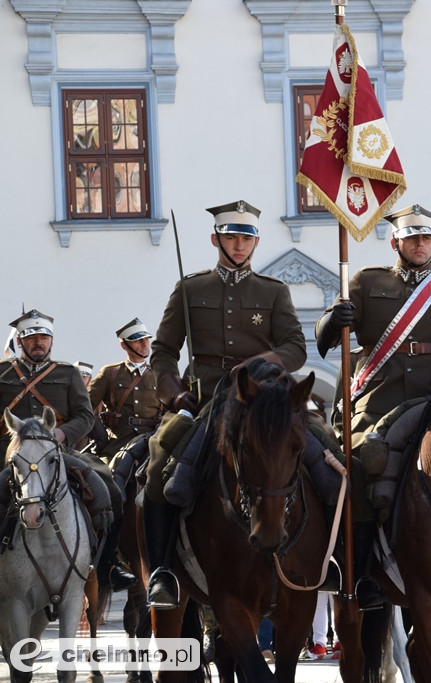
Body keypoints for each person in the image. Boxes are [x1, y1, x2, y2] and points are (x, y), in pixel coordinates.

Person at [315, 203, 431, 610]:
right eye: (412, 238)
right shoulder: (366, 282)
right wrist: (333, 320)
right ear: (395, 242)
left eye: (426, 238)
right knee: (355, 466)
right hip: (378, 403)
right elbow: (324, 341)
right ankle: (359, 571)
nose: (420, 245)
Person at [145, 200, 308, 608]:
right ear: (215, 239)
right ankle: (163, 570)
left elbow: (295, 348)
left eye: (246, 238)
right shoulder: (190, 289)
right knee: (158, 464)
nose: (239, 246)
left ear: (256, 242)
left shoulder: (273, 291)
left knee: (325, 456)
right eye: (232, 237)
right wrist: (173, 391)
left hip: (264, 401)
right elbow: (163, 350)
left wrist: (254, 368)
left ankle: (334, 561)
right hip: (206, 401)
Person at [0, 309, 136, 591]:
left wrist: (61, 433)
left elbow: (86, 417)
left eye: (44, 337)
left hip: (59, 453)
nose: (39, 342)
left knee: (109, 491)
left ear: (51, 341)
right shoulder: (2, 373)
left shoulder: (68, 373)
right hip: (12, 457)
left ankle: (108, 565)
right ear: (21, 342)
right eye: (32, 337)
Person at [88, 318, 161, 460]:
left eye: (146, 339)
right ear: (124, 345)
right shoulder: (110, 373)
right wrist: (100, 434)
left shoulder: (159, 373)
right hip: (119, 443)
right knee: (106, 476)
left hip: (154, 440)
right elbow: (84, 407)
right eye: (138, 340)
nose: (145, 344)